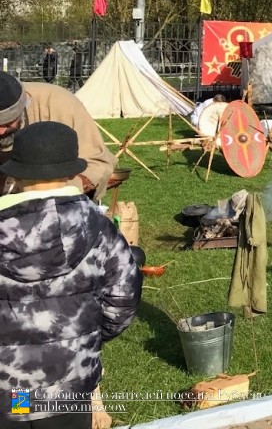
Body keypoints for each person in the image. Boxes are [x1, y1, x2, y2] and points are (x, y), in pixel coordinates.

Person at [0, 122, 142, 428]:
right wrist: (85, 336)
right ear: (72, 173)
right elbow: (123, 301)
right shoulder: (100, 228)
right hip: (71, 381)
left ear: (15, 174)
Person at [0, 73, 116, 200]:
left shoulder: (60, 105)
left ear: (24, 105)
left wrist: (52, 196)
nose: (1, 131)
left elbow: (97, 165)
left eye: (7, 123)